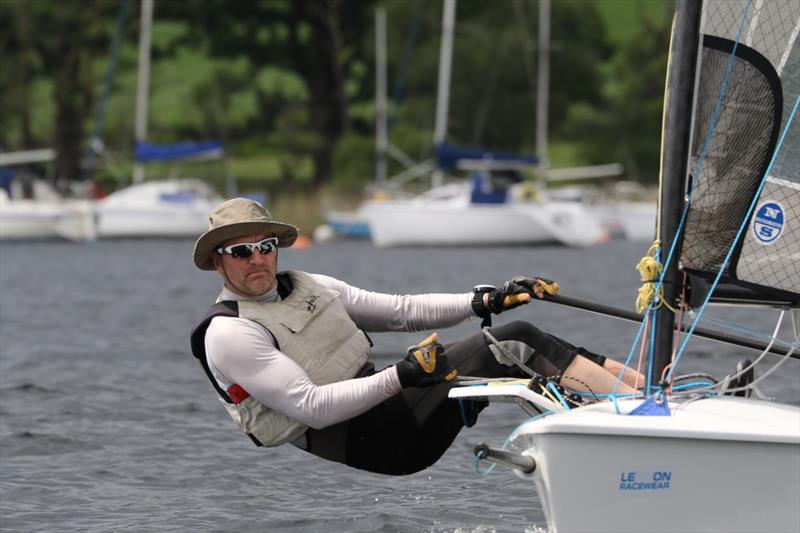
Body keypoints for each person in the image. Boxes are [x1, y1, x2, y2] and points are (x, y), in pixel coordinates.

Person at [190, 198, 643, 475]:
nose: (257, 259)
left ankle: (642, 395)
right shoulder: (229, 332)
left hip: (391, 409)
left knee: (522, 354)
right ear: (217, 261)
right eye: (241, 251)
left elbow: (403, 311)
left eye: (265, 246)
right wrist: (403, 374)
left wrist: (484, 301)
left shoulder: (312, 286)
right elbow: (311, 406)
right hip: (369, 439)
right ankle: (642, 419)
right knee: (512, 343)